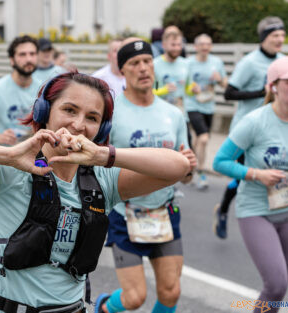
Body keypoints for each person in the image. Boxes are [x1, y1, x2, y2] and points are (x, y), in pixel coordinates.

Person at [0, 70, 190, 313]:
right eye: (69, 110)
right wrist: (7, 155)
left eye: (92, 118)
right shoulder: (13, 168)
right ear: (45, 113)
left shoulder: (104, 179)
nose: (79, 125)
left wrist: (104, 155)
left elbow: (177, 166)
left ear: (102, 128)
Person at [95, 38, 197, 313]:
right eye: (134, 63)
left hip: (164, 212)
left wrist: (188, 168)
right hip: (125, 212)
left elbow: (184, 174)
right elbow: (97, 163)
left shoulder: (174, 114)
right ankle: (103, 307)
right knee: (134, 298)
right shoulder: (110, 114)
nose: (143, 68)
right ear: (122, 70)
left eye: (148, 61)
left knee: (171, 292)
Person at [213, 56, 288, 313]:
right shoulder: (254, 122)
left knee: (281, 289)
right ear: (273, 86)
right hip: (255, 210)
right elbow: (220, 162)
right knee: (275, 284)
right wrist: (255, 174)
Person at [213, 16, 285, 239]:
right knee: (245, 177)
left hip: (274, 127)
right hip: (249, 129)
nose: (280, 39)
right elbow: (229, 92)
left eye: (282, 35)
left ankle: (274, 217)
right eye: (275, 35)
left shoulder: (283, 61)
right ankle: (224, 211)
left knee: (277, 172)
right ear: (264, 38)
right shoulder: (249, 62)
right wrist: (263, 93)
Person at [185, 34, 227, 190]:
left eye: (208, 44)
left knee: (199, 139)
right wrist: (190, 88)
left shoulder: (217, 63)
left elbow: (225, 84)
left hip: (209, 106)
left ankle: (192, 165)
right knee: (203, 138)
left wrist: (219, 80)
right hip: (192, 105)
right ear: (196, 47)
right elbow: (182, 84)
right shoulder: (188, 63)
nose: (205, 47)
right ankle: (201, 172)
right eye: (201, 44)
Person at [153, 27, 192, 148]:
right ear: (164, 45)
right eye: (173, 44)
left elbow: (187, 90)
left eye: (179, 45)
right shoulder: (155, 64)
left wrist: (193, 89)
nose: (176, 48)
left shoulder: (186, 64)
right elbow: (151, 92)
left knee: (185, 149)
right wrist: (164, 90)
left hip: (181, 115)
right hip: (161, 116)